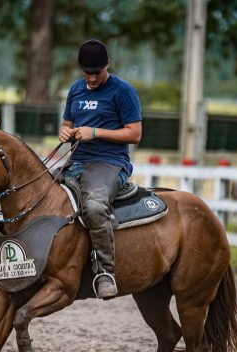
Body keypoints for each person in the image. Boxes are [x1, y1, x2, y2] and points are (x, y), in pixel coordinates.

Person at [59, 39, 142, 299]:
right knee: (39, 194)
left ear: (108, 66)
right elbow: (68, 123)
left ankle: (105, 271)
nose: (91, 78)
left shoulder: (123, 91)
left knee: (94, 207)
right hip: (77, 161)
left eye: (96, 73)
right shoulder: (75, 90)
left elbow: (135, 134)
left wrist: (95, 132)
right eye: (87, 73)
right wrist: (65, 131)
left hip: (109, 162)